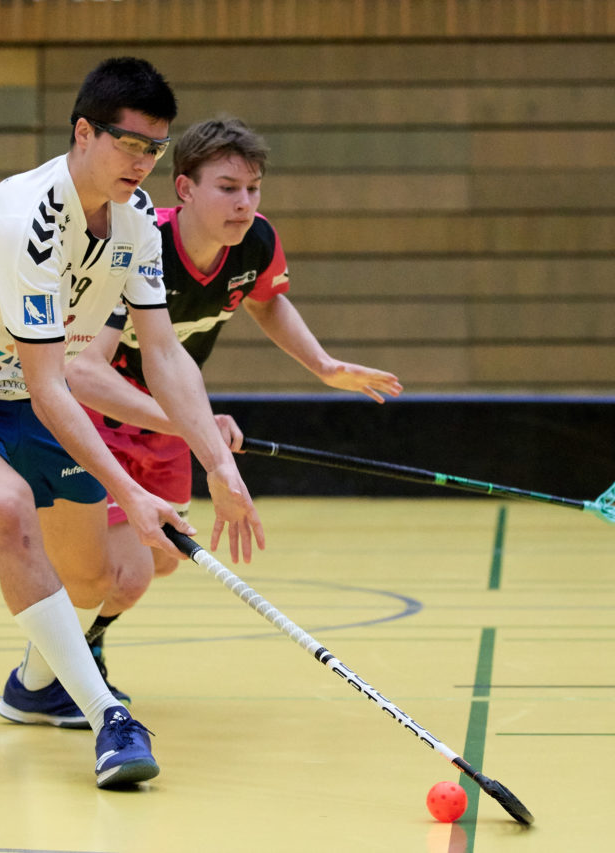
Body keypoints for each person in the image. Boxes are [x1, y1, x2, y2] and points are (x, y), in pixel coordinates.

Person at [0, 58, 265, 789]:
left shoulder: (136, 228)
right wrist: (129, 488)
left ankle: (32, 683)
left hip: (30, 405)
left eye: (154, 148)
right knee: (5, 503)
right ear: (84, 132)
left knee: (99, 577)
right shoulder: (23, 219)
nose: (142, 162)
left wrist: (219, 462)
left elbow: (164, 355)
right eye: (128, 143)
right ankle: (106, 718)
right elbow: (52, 380)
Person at [65, 116, 403, 695]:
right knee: (127, 573)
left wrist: (323, 366)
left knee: (164, 559)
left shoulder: (258, 242)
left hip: (167, 423)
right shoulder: (139, 246)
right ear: (185, 188)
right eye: (227, 188)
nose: (244, 203)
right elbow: (82, 375)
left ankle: (77, 637)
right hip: (99, 420)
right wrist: (199, 428)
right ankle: (62, 661)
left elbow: (268, 302)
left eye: (252, 189)